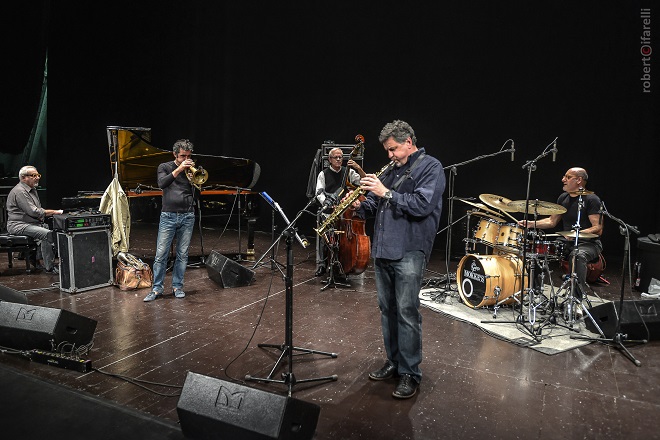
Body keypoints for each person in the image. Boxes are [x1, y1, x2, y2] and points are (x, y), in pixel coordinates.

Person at [348, 120, 445, 399]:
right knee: (387, 310)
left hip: (409, 250)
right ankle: (393, 362)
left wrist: (385, 192)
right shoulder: (392, 170)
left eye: (393, 150)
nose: (389, 156)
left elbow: (422, 205)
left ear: (408, 143)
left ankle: (410, 373)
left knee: (406, 312)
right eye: (388, 151)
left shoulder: (431, 167)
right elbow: (377, 204)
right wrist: (360, 205)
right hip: (383, 249)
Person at [519, 167, 603, 301]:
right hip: (566, 241)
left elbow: (598, 228)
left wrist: (576, 234)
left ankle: (575, 300)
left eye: (568, 177)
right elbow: (552, 221)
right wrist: (530, 223)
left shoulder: (592, 199)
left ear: (579, 180)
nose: (563, 180)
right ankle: (534, 293)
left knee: (578, 256)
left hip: (589, 244)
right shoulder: (563, 198)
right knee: (537, 250)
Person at [143, 139, 198, 302]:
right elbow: (162, 183)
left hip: (188, 215)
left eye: (188, 156)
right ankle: (157, 289)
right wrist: (180, 169)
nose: (186, 159)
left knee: (182, 254)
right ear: (175, 154)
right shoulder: (165, 167)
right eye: (182, 156)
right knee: (161, 255)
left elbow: (198, 193)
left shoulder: (192, 171)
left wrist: (194, 179)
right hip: (168, 216)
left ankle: (178, 286)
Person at [314, 147, 365, 276]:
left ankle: (342, 263)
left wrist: (358, 168)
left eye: (340, 157)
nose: (338, 159)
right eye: (336, 157)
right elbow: (319, 193)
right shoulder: (323, 174)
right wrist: (328, 205)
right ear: (330, 159)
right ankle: (321, 264)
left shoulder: (348, 172)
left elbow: (363, 182)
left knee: (344, 238)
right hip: (330, 210)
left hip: (345, 211)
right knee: (324, 237)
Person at [5, 166, 63, 273]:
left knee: (48, 228)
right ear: (23, 178)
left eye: (38, 175)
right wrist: (55, 212)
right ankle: (49, 267)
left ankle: (36, 259)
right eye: (33, 176)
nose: (37, 178)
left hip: (30, 223)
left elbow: (37, 210)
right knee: (47, 234)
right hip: (19, 225)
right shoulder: (20, 192)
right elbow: (33, 211)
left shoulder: (32, 190)